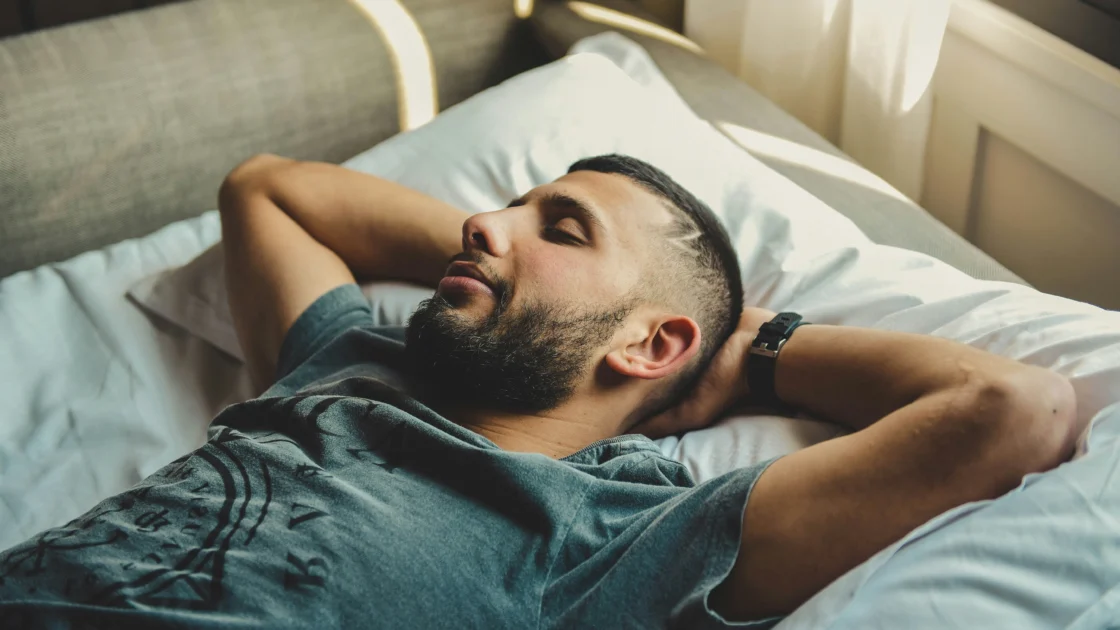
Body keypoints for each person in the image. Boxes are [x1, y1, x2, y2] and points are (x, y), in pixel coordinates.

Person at [0, 154, 1082, 629]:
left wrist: (747, 349)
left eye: (560, 227)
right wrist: (504, 260)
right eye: (508, 207)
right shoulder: (352, 361)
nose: (483, 222)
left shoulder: (619, 536)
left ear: (652, 343)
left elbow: (1014, 409)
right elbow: (269, 189)